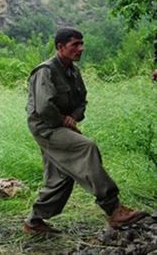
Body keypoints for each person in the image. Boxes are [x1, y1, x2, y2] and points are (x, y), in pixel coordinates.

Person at [24, 28, 148, 234]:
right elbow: (44, 107)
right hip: (46, 127)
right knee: (86, 148)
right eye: (75, 44)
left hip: (61, 125)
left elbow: (82, 101)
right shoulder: (45, 71)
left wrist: (74, 116)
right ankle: (113, 208)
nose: (81, 48)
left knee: (61, 177)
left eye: (82, 44)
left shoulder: (73, 71)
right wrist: (64, 121)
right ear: (60, 47)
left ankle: (34, 222)